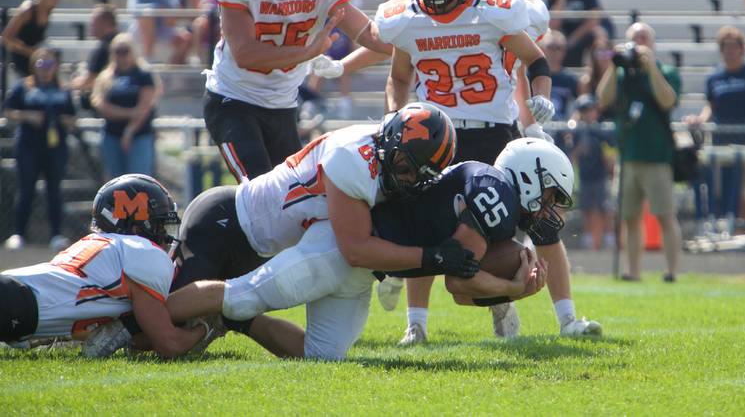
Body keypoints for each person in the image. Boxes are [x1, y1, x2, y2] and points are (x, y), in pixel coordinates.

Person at [81, 103, 471, 358]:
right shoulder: (354, 158)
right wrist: (431, 257)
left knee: (322, 356)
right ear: (389, 142)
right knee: (156, 339)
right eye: (405, 165)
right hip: (225, 224)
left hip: (261, 243)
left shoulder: (391, 162)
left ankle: (234, 320)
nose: (407, 178)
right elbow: (355, 249)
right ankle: (101, 325)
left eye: (420, 175)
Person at [377, 0, 597, 345]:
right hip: (436, 138)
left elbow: (537, 61)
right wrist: (396, 116)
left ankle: (567, 319)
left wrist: (541, 99)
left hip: (497, 135)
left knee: (541, 221)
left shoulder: (494, 10)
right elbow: (397, 78)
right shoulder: (406, 20)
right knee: (428, 227)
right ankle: (416, 326)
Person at [159, 139, 563, 360]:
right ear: (528, 176)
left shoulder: (490, 189)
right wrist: (513, 290)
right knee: (244, 294)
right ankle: (137, 322)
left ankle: (237, 323)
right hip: (343, 250)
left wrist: (509, 287)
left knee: (322, 354)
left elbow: (459, 282)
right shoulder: (495, 193)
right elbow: (459, 280)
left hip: (369, 271)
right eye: (547, 195)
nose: (547, 208)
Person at [202, 0, 392, 182]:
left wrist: (418, 39)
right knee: (260, 195)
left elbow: (370, 34)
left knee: (294, 199)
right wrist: (308, 51)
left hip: (283, 106)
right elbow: (245, 54)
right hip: (234, 101)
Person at [0, 174, 210, 358]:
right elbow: (169, 344)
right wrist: (206, 327)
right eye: (159, 225)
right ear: (137, 228)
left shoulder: (105, 248)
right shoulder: (140, 250)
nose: (165, 236)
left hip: (14, 294)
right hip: (16, 305)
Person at [596, 22, 683, 283]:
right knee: (629, 218)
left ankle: (672, 271)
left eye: (644, 38)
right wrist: (614, 64)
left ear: (653, 43)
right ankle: (633, 271)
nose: (640, 43)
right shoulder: (623, 74)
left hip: (657, 155)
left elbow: (667, 101)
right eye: (635, 39)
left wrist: (651, 67)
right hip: (628, 155)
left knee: (665, 215)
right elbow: (603, 98)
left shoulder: (666, 71)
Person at [683, 26, 745, 220]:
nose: (730, 50)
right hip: (721, 140)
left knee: (741, 189)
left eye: (734, 46)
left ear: (742, 48)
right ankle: (732, 226)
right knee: (720, 189)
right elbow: (710, 106)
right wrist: (699, 119)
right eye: (726, 46)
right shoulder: (714, 78)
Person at [3, 48, 76, 252]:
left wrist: (62, 120)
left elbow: (72, 117)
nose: (45, 69)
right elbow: (9, 111)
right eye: (41, 64)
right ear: (34, 65)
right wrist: (28, 116)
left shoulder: (62, 89)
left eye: (50, 65)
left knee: (54, 190)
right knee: (26, 189)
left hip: (55, 146)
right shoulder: (23, 87)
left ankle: (56, 234)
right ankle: (18, 233)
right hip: (29, 145)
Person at [91, 33, 160, 179]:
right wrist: (129, 113)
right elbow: (100, 104)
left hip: (139, 134)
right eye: (117, 51)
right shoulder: (106, 77)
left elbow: (145, 106)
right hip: (111, 134)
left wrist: (129, 131)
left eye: (125, 50)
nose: (121, 55)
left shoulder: (144, 74)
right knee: (115, 182)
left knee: (139, 180)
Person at [567, 94, 614, 250]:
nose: (587, 113)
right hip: (585, 176)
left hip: (600, 175)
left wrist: (608, 161)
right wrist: (578, 150)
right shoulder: (576, 132)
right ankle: (588, 239)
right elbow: (570, 155)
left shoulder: (602, 131)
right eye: (584, 110)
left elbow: (610, 153)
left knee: (604, 208)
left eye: (590, 110)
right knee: (586, 208)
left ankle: (609, 238)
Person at [546, 0, 610, 68]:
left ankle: (601, 69)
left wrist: (574, 38)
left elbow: (593, 20)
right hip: (565, 33)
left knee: (599, 33)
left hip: (584, 30)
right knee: (551, 39)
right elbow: (552, 25)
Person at [2, 0, 60, 78]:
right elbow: (6, 37)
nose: (57, 0)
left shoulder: (48, 10)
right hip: (21, 58)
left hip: (37, 58)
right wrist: (29, 51)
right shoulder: (27, 10)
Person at [71, 4, 119, 110]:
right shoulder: (122, 42)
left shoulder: (104, 48)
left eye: (94, 22)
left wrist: (68, 86)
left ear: (105, 23)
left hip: (106, 102)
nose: (90, 26)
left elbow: (90, 81)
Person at [540, 30, 578, 121]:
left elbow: (578, 109)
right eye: (551, 47)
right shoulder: (531, 75)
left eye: (559, 48)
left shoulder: (570, 80)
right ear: (541, 49)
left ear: (564, 51)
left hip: (562, 130)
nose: (555, 52)